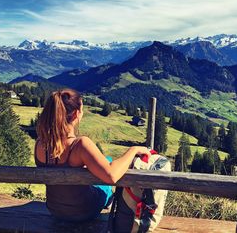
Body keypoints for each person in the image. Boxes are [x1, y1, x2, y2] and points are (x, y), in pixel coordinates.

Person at [34, 89, 150, 222]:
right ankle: (109, 202)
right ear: (76, 114)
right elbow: (111, 176)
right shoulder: (80, 144)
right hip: (84, 211)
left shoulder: (40, 143)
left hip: (55, 210)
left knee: (106, 160)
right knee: (107, 173)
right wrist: (133, 150)